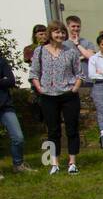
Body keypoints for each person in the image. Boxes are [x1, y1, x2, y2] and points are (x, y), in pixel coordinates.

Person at [30, 20, 83, 174]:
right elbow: (34, 72)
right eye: (57, 32)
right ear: (50, 33)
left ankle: (72, 162)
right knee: (53, 130)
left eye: (62, 32)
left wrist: (75, 88)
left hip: (68, 95)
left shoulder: (71, 51)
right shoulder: (39, 51)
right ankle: (55, 163)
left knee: (72, 129)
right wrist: (39, 88)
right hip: (48, 96)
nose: (60, 35)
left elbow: (79, 73)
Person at [0, 41, 31, 173]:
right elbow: (5, 80)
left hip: (5, 105)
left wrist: (5, 80)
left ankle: (18, 165)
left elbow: (11, 80)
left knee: (18, 137)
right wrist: (2, 80)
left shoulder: (1, 60)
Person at [65, 15, 95, 82]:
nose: (76, 28)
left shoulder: (87, 43)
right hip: (70, 81)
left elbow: (91, 56)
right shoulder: (63, 44)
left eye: (78, 26)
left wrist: (77, 44)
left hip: (87, 80)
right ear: (67, 27)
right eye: (73, 26)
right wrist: (83, 56)